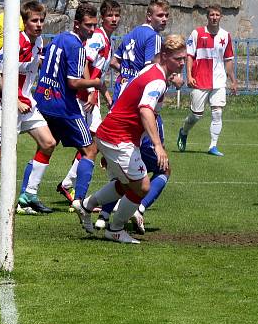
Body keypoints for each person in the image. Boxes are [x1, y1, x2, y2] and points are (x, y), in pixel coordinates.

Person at [74, 35, 187, 244]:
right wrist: (158, 146)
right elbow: (145, 110)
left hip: (113, 134)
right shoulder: (157, 80)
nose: (182, 63)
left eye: (184, 58)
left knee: (127, 185)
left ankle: (86, 206)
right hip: (119, 138)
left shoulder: (151, 70)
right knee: (142, 187)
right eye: (178, 59)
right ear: (164, 56)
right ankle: (115, 229)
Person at [34, 3, 104, 208]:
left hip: (44, 100)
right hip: (64, 107)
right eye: (88, 25)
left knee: (46, 146)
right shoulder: (77, 47)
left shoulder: (59, 38)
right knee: (90, 149)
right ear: (76, 24)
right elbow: (73, 82)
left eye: (94, 26)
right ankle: (80, 200)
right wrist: (96, 84)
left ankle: (27, 195)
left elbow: (43, 57)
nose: (91, 30)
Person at [0, 1, 58, 215]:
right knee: (0, 157)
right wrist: (13, 101)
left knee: (48, 143)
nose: (39, 24)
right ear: (24, 22)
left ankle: (28, 195)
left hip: (27, 103)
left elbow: (33, 67)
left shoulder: (39, 41)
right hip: (9, 105)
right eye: (34, 20)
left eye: (42, 20)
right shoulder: (15, 42)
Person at [59, 0, 121, 201]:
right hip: (82, 97)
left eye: (117, 15)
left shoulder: (107, 39)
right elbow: (85, 61)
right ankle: (70, 185)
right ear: (102, 18)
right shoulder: (98, 38)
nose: (114, 19)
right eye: (110, 15)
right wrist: (92, 91)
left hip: (90, 94)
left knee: (93, 141)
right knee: (90, 142)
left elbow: (103, 67)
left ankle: (68, 183)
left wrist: (105, 92)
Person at [177, 4, 238, 157]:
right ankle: (184, 132)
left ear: (221, 17)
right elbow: (189, 55)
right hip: (200, 79)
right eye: (212, 15)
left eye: (217, 15)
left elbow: (228, 59)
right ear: (207, 16)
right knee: (196, 115)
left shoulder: (225, 35)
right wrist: (189, 75)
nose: (214, 17)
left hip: (218, 81)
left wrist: (233, 80)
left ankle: (213, 146)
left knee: (217, 113)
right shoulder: (197, 33)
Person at [109, 0, 169, 102]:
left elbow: (113, 62)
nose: (164, 19)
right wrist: (171, 79)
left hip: (121, 88)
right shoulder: (154, 37)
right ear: (149, 16)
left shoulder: (132, 33)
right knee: (151, 117)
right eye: (160, 15)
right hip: (135, 94)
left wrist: (127, 73)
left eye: (166, 15)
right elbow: (151, 69)